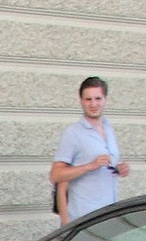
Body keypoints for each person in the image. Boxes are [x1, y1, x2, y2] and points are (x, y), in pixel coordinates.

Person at [51, 76, 123, 222]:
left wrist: (120, 168)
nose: (93, 104)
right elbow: (56, 176)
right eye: (88, 99)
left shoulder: (108, 129)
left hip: (108, 215)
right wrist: (90, 166)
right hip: (83, 219)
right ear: (81, 101)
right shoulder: (73, 133)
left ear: (105, 99)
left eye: (98, 99)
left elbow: (107, 168)